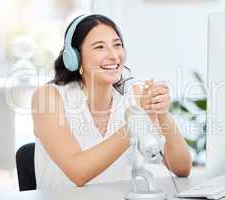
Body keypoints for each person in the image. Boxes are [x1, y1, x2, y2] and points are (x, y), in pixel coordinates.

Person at [32, 14, 191, 189]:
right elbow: (78, 172)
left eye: (117, 45)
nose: (114, 55)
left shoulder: (134, 95)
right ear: (75, 58)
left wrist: (162, 114)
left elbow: (182, 168)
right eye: (100, 47)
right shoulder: (48, 98)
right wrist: (135, 122)